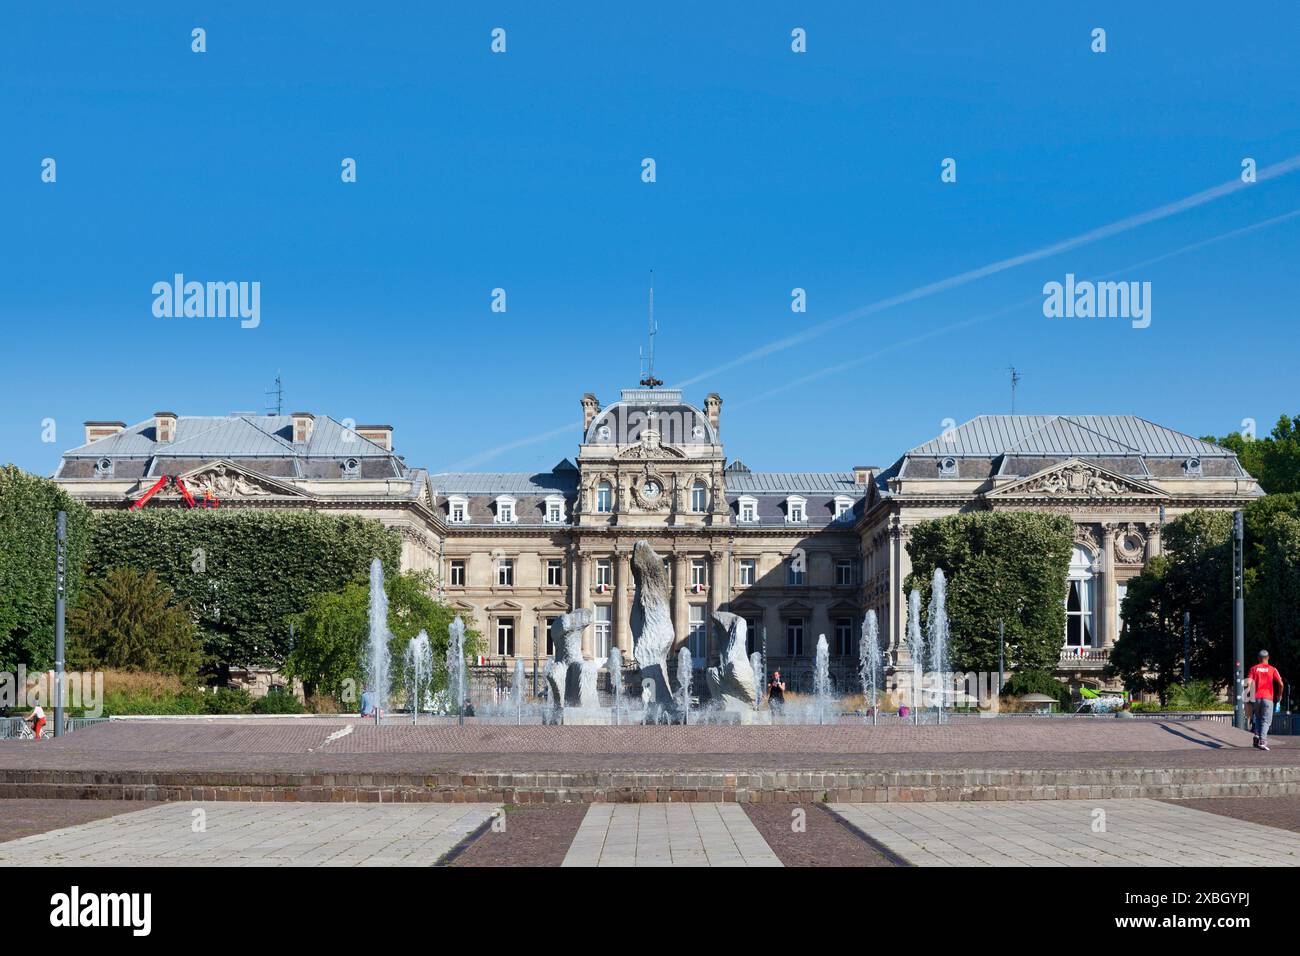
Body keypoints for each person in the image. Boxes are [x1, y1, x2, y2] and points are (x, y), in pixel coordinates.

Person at [1247, 649, 1284, 751]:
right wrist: (1279, 695)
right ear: (1268, 658)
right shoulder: (1273, 669)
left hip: (1256, 698)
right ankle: (1262, 741)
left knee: (1258, 718)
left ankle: (1257, 735)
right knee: (1266, 721)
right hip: (1268, 698)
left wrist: (1248, 696)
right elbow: (1281, 684)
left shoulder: (1253, 669)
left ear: (1258, 658)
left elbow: (1248, 683)